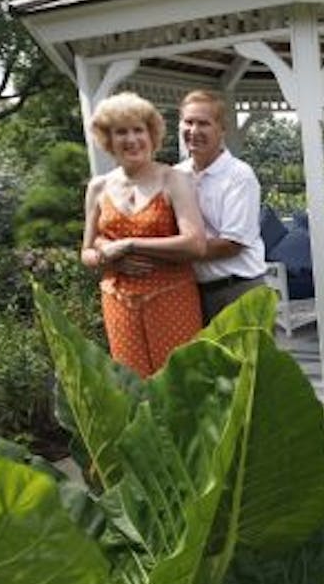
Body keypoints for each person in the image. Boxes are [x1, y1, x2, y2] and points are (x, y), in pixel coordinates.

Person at [81, 92, 206, 376]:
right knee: (133, 388)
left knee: (180, 385)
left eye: (138, 129)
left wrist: (129, 244)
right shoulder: (98, 188)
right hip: (119, 303)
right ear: (108, 140)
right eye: (120, 132)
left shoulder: (174, 179)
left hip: (171, 298)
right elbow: (87, 253)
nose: (131, 139)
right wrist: (109, 259)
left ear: (152, 135)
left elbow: (195, 244)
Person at [173, 89, 265, 323]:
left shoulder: (239, 176)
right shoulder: (175, 175)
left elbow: (231, 245)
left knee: (247, 361)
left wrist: (166, 254)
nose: (194, 131)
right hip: (191, 293)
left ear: (221, 129)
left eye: (203, 123)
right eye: (188, 122)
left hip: (237, 291)